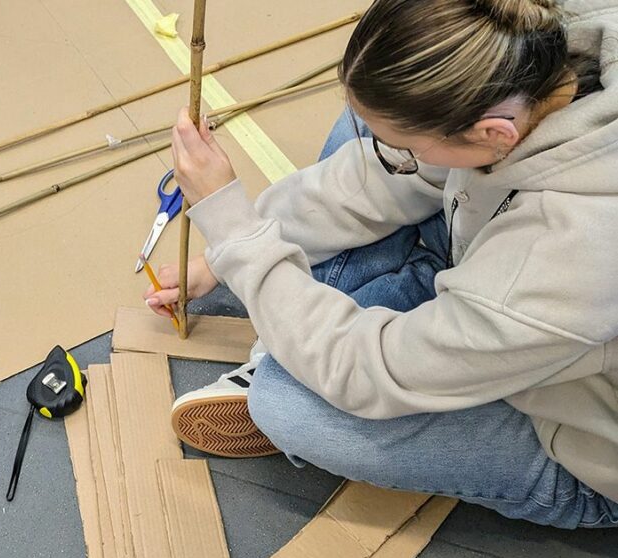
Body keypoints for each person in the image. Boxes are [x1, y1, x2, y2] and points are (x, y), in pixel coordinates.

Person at [144, 0, 618, 528]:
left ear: (494, 135)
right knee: (373, 118)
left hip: (587, 445)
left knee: (288, 405)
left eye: (404, 149)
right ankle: (308, 324)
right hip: (495, 265)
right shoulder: (546, 43)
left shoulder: (564, 254)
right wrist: (223, 254)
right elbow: (376, 172)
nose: (390, 153)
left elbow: (370, 370)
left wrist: (237, 233)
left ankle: (296, 337)